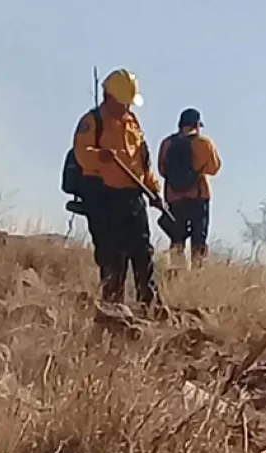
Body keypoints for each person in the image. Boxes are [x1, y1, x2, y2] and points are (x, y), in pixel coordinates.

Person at [72, 68, 163, 308]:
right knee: (113, 257)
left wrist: (154, 191)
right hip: (103, 198)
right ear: (109, 98)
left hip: (133, 198)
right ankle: (113, 308)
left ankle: (150, 305)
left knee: (143, 253)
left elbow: (142, 164)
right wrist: (100, 155)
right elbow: (82, 154)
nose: (127, 107)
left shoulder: (133, 123)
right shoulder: (92, 122)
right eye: (124, 102)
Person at [157, 108, 222, 269]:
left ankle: (177, 273)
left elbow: (162, 170)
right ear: (197, 125)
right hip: (199, 198)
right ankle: (196, 275)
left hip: (174, 199)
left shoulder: (167, 143)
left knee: (177, 240)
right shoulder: (204, 143)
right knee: (198, 241)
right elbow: (214, 168)